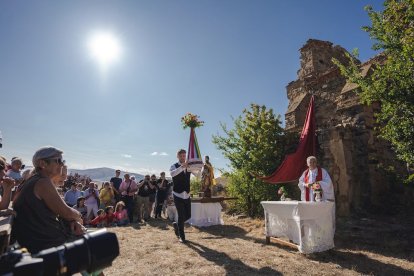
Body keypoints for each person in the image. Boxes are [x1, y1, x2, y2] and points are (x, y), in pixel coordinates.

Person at [12, 146, 84, 254]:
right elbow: (66, 212)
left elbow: (63, 212)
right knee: (99, 243)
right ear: (42, 164)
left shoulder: (33, 181)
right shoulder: (42, 182)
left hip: (36, 242)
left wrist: (73, 220)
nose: (62, 164)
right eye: (58, 161)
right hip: (47, 245)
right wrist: (78, 216)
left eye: (62, 161)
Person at [170, 149, 192, 243]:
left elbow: (198, 176)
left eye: (184, 156)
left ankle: (177, 226)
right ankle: (181, 237)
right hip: (177, 194)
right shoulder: (173, 166)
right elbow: (173, 174)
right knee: (181, 216)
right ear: (178, 156)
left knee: (188, 215)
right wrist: (182, 167)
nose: (183, 157)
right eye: (181, 156)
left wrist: (199, 168)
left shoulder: (189, 166)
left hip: (186, 195)